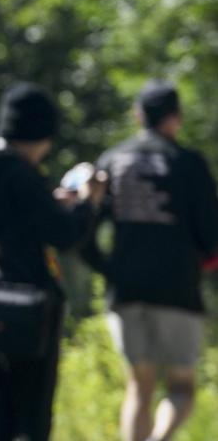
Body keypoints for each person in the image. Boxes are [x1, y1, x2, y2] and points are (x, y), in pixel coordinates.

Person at [0, 82, 103, 441]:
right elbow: (66, 234)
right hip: (29, 312)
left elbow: (15, 219)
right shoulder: (22, 175)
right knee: (30, 421)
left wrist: (50, 201)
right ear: (38, 134)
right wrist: (88, 202)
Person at [90, 80, 218, 441]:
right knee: (181, 388)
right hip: (178, 289)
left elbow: (85, 225)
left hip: (126, 290)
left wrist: (107, 268)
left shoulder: (112, 160)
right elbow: (211, 237)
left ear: (137, 115)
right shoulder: (190, 164)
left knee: (138, 387)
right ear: (176, 118)